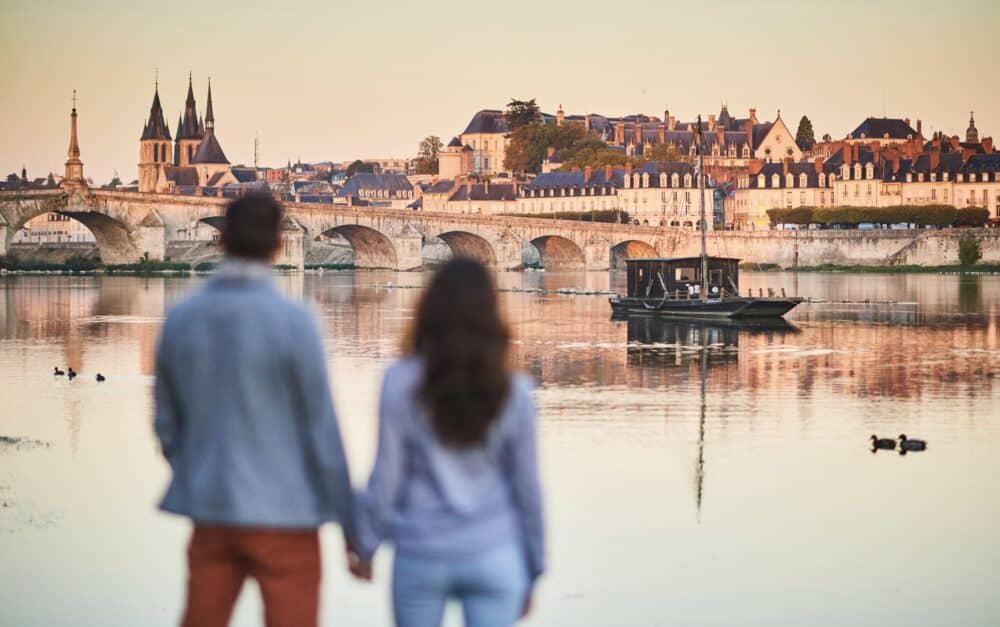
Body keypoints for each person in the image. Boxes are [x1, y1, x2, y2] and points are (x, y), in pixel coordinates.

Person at [154, 192, 356, 627]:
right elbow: (322, 432)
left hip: (212, 509)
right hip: (287, 513)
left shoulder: (182, 318)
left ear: (221, 241)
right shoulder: (295, 322)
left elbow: (167, 424)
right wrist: (352, 525)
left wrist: (200, 470)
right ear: (279, 245)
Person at [354, 258, 545, 627]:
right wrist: (534, 565)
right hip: (494, 551)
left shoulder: (399, 381)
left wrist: (366, 542)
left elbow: (387, 476)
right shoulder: (515, 390)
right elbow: (527, 487)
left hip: (421, 552)